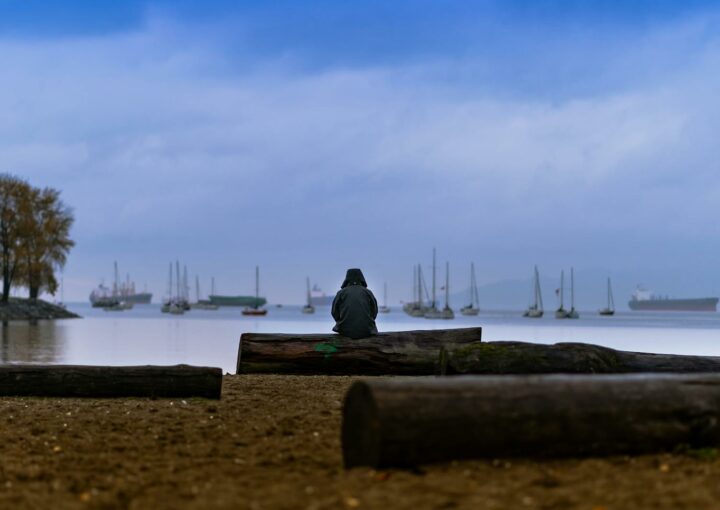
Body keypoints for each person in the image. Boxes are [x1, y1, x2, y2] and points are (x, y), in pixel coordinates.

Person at [331, 268, 378, 339]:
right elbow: (374, 311)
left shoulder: (341, 293)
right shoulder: (368, 292)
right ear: (362, 278)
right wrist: (368, 321)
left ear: (347, 279)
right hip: (366, 330)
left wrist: (341, 321)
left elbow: (334, 312)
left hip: (345, 331)